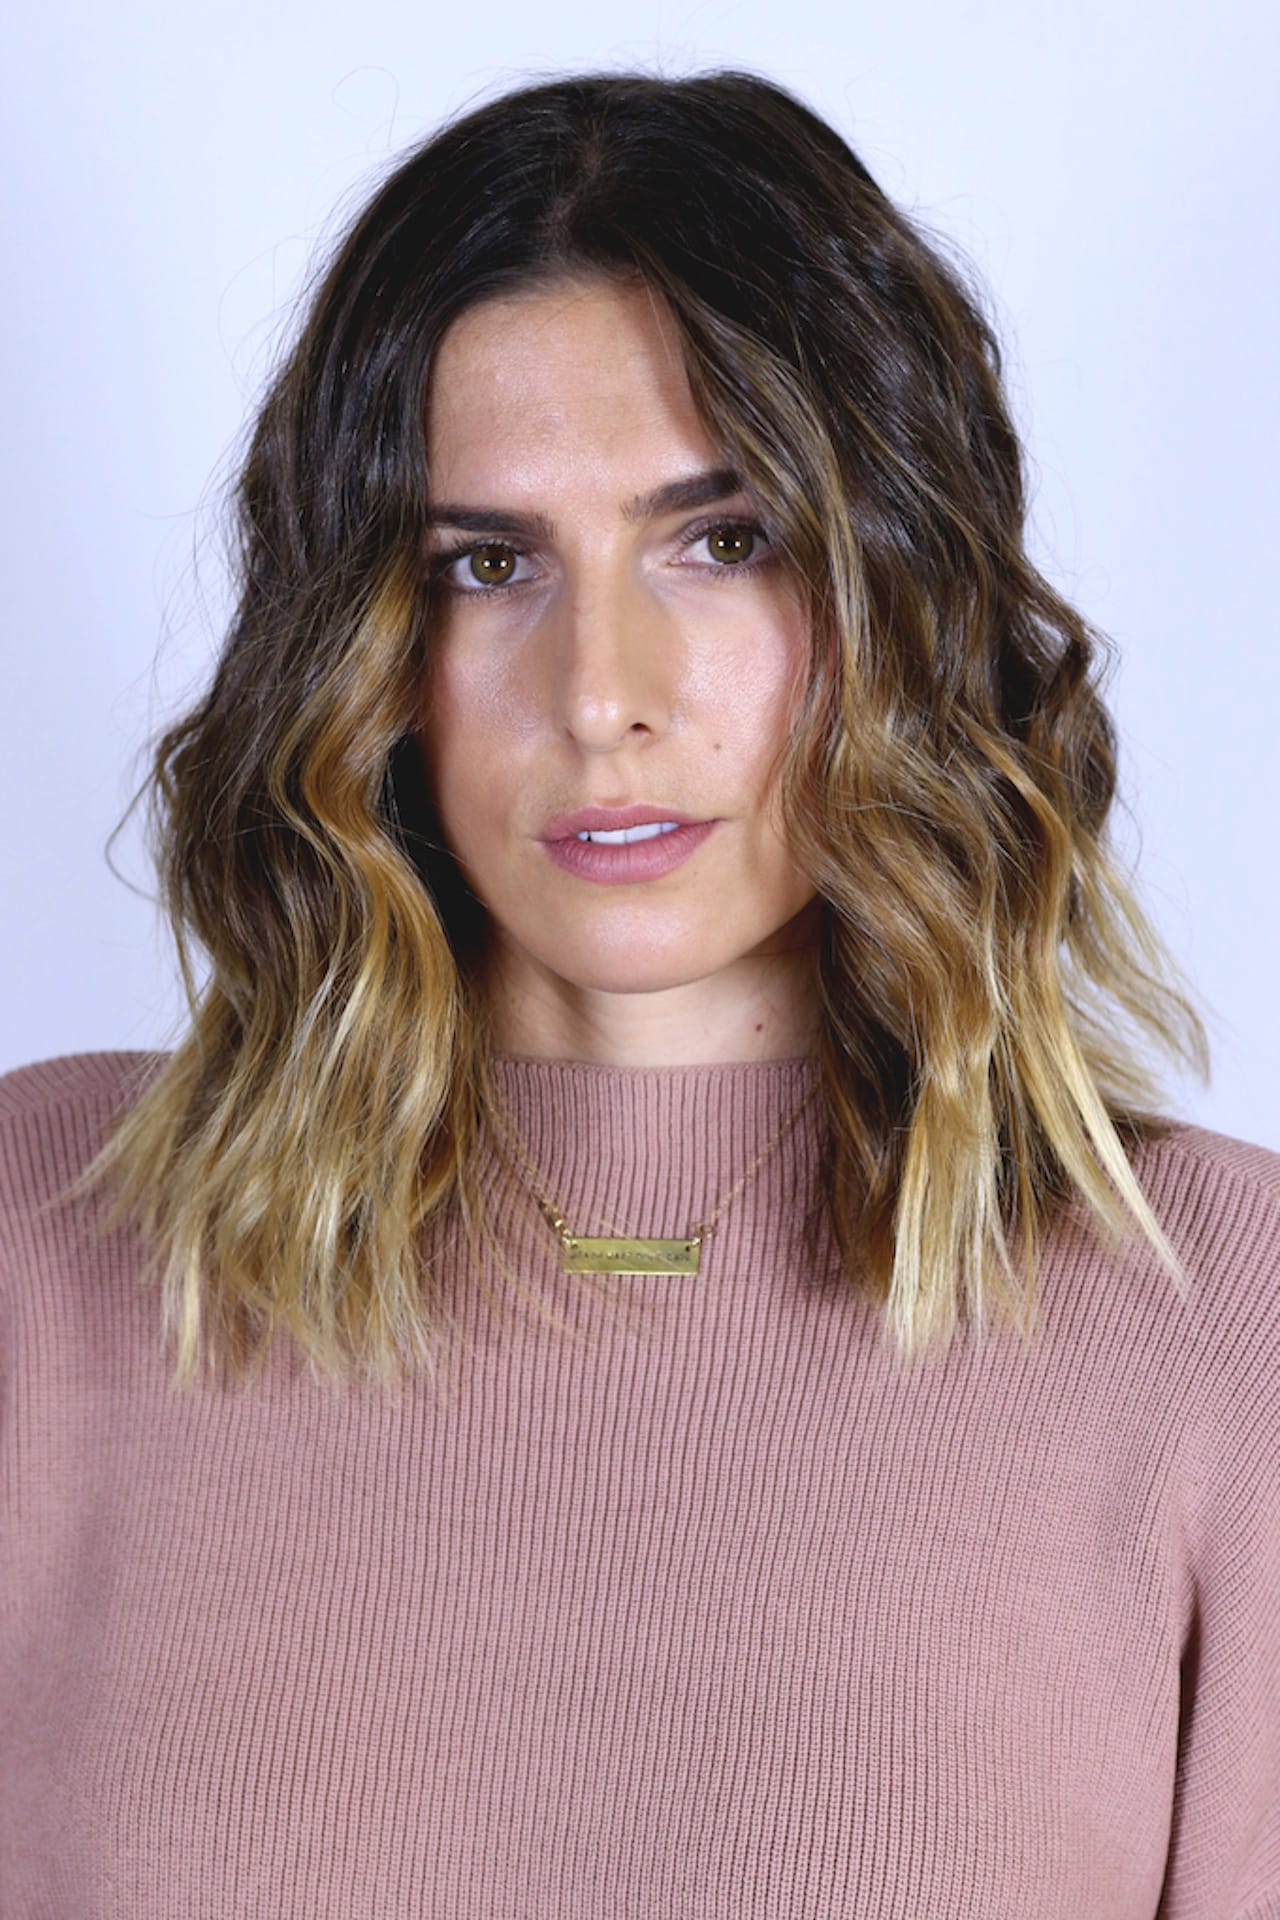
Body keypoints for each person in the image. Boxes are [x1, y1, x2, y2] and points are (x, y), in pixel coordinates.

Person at [1, 66, 1277, 1920]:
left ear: (899, 591)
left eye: (723, 540)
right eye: (487, 564)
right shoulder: (45, 1248)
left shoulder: (1218, 1324)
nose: (601, 692)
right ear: (369, 648)